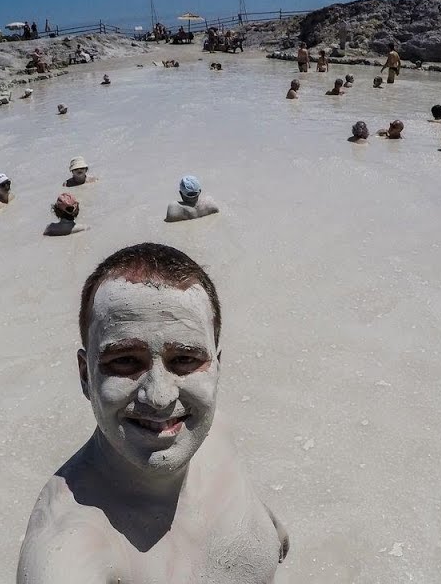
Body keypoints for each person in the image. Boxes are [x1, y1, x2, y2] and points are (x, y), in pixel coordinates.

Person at [16, 243, 289, 583]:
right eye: (126, 361)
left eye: (186, 359)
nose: (160, 397)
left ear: (217, 367)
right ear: (86, 375)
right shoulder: (67, 554)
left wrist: (267, 526)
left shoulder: (213, 427)